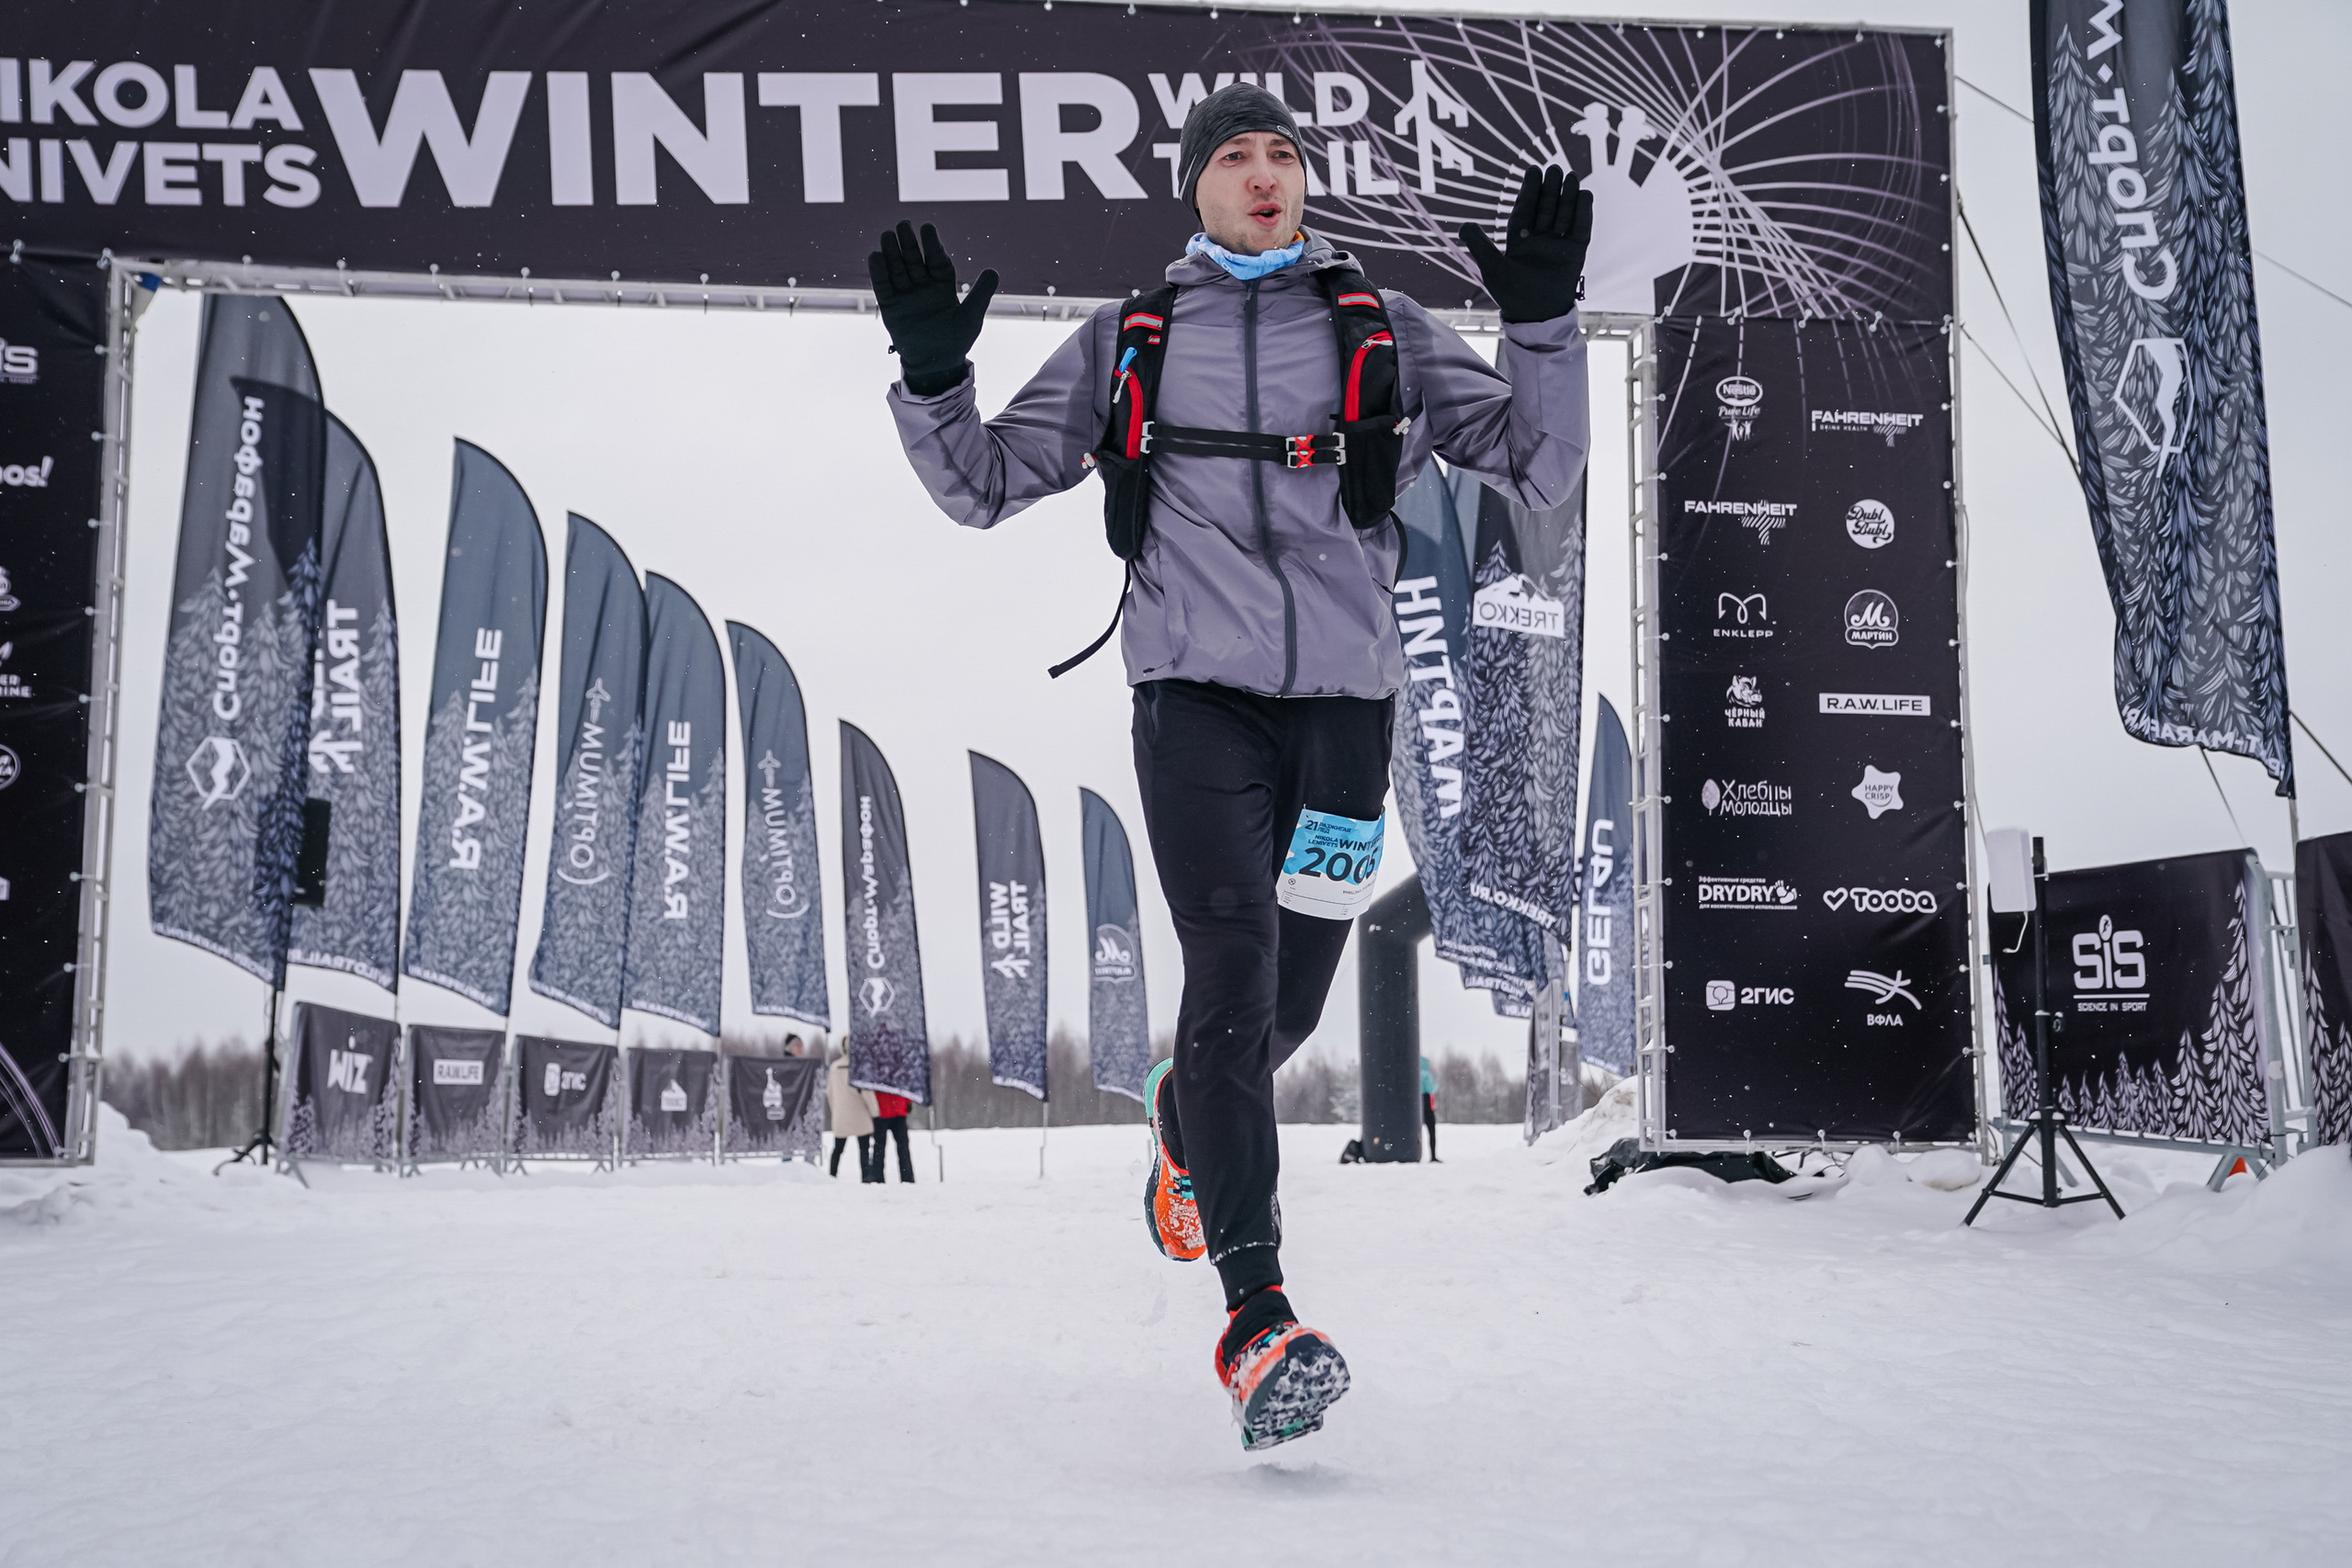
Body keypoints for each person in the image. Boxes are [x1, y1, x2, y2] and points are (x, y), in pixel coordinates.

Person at [873, 83, 1591, 1449]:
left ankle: (1186, 1119)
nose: (1266, 176)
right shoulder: (1132, 340)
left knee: (1288, 1009)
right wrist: (931, 377)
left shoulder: (1375, 326)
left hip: (1344, 717)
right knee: (1234, 965)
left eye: (1285, 156)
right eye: (1238, 158)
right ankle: (1259, 1316)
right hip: (1192, 702)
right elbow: (981, 483)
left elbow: (1543, 467)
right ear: (1194, 186)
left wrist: (1545, 323)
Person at [826, 1044, 877, 1181]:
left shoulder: (834, 1068)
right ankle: (866, 1177)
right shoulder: (861, 1067)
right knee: (864, 1150)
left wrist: (836, 1110)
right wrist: (874, 1113)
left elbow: (830, 1093)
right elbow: (867, 1093)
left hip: (841, 1115)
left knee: (838, 1148)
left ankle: (832, 1175)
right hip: (860, 1115)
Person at [871, 1091, 916, 1184]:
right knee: (903, 1148)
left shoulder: (875, 1076)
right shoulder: (899, 1076)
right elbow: (906, 1085)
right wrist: (908, 1101)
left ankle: (877, 1177)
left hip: (881, 1109)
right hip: (898, 1109)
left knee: (879, 1148)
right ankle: (907, 1178)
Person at [1420, 1054, 1441, 1162]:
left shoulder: (1413, 1073)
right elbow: (1430, 1089)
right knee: (1431, 1131)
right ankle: (1433, 1155)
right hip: (1426, 1101)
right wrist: (1436, 1086)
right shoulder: (1426, 1075)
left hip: (1415, 1103)